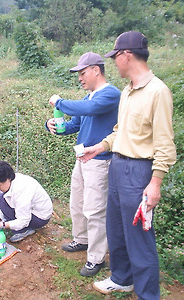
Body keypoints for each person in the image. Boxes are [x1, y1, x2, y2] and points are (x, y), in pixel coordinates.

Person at [80, 31, 177, 299]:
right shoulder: (127, 91)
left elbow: (165, 143)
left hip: (139, 171)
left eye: (115, 58)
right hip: (117, 165)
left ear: (126, 55)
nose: (114, 63)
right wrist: (100, 147)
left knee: (139, 237)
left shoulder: (158, 91)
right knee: (116, 229)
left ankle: (148, 294)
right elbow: (120, 131)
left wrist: (155, 182)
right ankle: (121, 278)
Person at [45, 52, 120, 277]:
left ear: (96, 70)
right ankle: (82, 240)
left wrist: (59, 102)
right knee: (77, 203)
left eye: (83, 72)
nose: (80, 78)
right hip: (82, 159)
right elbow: (74, 124)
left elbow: (88, 110)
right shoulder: (89, 98)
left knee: (95, 210)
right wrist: (54, 126)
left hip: (100, 162)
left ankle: (96, 258)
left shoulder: (110, 94)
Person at [0, 161, 53, 243]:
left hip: (39, 218)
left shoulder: (21, 190)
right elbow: (4, 202)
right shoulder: (11, 180)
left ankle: (23, 231)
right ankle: (12, 222)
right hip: (30, 210)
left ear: (8, 179)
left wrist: (1, 225)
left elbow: (24, 220)